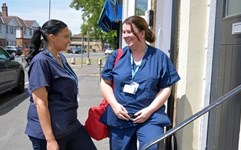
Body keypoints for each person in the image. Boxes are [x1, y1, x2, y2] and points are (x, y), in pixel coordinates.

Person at [100, 16, 181, 150]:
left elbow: (166, 87)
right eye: (124, 32)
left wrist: (149, 110)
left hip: (150, 117)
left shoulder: (159, 57)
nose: (126, 36)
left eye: (129, 32)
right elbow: (105, 82)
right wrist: (114, 105)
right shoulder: (117, 56)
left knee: (153, 147)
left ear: (142, 33)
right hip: (120, 117)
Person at [25, 19, 97, 150]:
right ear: (52, 37)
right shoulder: (41, 62)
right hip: (49, 132)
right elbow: (40, 102)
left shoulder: (61, 58)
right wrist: (50, 140)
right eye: (65, 36)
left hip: (69, 124)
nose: (69, 40)